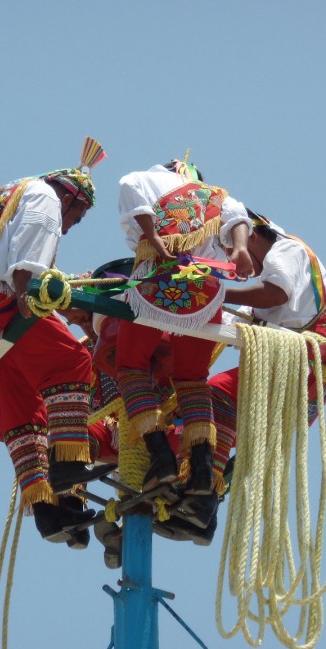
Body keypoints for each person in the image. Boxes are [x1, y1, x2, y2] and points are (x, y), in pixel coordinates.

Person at [0, 139, 113, 545]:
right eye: (76, 218)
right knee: (72, 361)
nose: (67, 227)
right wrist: (29, 294)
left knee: (24, 406)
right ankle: (66, 466)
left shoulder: (10, 193)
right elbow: (26, 270)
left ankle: (51, 512)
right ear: (69, 199)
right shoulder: (45, 198)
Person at [115, 158, 253, 495]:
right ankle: (203, 469)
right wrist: (240, 249)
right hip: (204, 295)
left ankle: (161, 457)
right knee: (193, 379)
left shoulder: (146, 178)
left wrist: (152, 236)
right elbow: (238, 216)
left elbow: (129, 186)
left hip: (157, 284)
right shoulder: (216, 195)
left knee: (131, 368)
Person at [208, 209, 326, 491]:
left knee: (213, 396)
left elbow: (276, 293)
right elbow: (232, 321)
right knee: (220, 425)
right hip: (306, 381)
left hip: (298, 367)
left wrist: (217, 294)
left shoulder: (286, 250)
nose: (238, 267)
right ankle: (204, 487)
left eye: (233, 251)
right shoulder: (273, 289)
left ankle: (205, 483)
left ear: (252, 237)